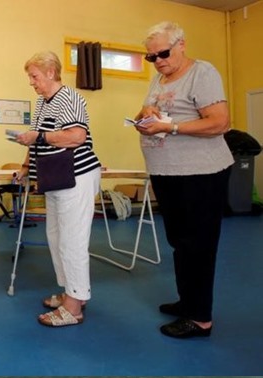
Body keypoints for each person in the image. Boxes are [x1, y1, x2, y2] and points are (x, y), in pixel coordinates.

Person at [134, 21, 232, 339]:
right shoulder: (159, 78)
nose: (158, 60)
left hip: (200, 174)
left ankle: (200, 318)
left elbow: (219, 122)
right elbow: (153, 114)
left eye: (162, 53)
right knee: (180, 243)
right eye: (151, 57)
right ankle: (187, 302)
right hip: (169, 172)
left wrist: (170, 127)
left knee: (199, 246)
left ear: (181, 45)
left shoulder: (202, 73)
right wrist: (143, 115)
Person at [14, 51, 101, 328]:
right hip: (56, 179)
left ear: (51, 72)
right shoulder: (42, 102)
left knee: (72, 241)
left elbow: (77, 136)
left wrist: (38, 136)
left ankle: (74, 307)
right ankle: (70, 293)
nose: (32, 82)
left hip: (76, 177)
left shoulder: (70, 97)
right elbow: (38, 138)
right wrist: (26, 166)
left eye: (34, 76)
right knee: (56, 238)